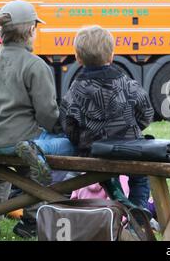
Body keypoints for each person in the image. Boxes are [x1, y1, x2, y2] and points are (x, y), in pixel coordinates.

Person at [0, 0, 75, 238]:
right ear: (30, 31)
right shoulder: (35, 66)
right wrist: (60, 129)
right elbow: (47, 114)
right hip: (20, 140)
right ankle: (31, 221)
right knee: (37, 173)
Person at [59, 25, 154, 211]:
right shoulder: (127, 84)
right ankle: (138, 212)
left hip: (92, 152)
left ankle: (120, 207)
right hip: (128, 150)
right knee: (140, 177)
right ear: (112, 55)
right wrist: (132, 128)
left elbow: (67, 123)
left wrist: (81, 139)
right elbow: (147, 113)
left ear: (78, 58)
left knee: (105, 176)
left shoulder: (74, 90)